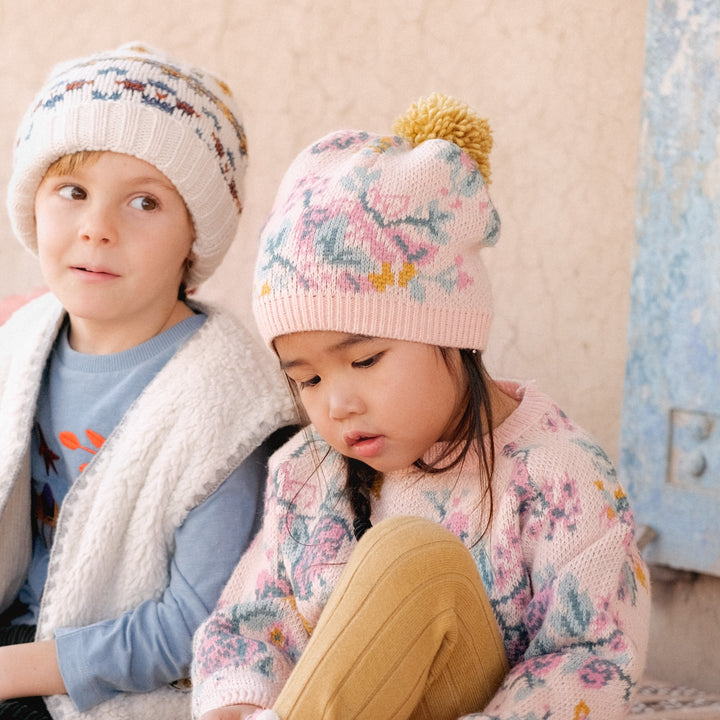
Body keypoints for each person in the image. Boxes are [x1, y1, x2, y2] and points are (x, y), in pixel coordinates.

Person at [191, 93, 651, 720]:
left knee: (410, 556)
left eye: (365, 360)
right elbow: (251, 623)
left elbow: (587, 659)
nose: (339, 404)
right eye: (308, 380)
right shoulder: (308, 471)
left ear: (453, 327)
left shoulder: (559, 474)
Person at [0, 43, 296, 720]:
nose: (97, 229)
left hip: (117, 673)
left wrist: (13, 670)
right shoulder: (22, 340)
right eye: (72, 191)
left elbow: (197, 621)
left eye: (144, 202)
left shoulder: (224, 402)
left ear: (196, 235)